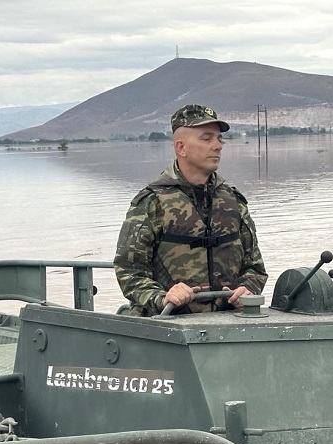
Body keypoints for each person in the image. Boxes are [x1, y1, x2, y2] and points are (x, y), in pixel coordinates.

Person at [114, 104, 267, 316]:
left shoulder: (234, 201)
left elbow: (255, 268)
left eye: (219, 139)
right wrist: (162, 297)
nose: (218, 146)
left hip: (229, 325)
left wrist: (248, 289)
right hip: (167, 328)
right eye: (207, 138)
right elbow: (129, 271)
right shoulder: (152, 202)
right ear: (181, 148)